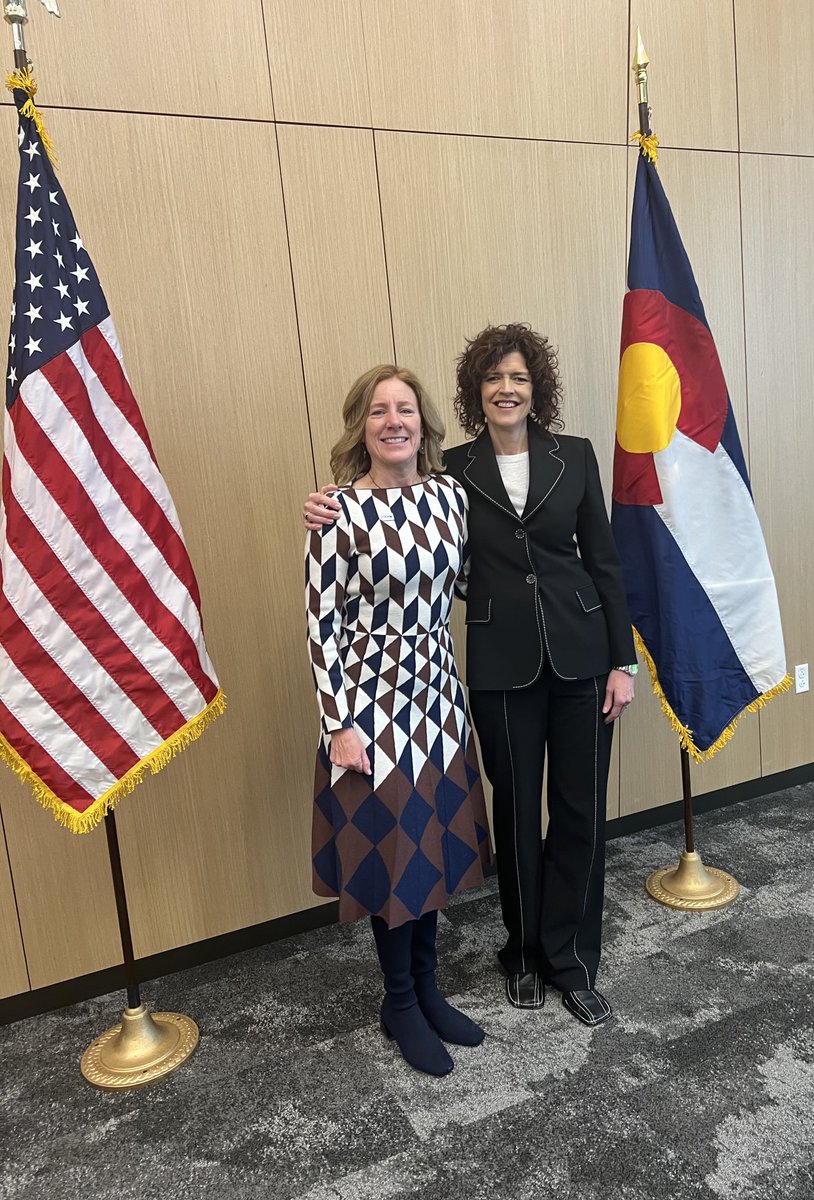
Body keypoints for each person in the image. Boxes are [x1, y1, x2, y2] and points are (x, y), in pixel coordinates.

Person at [304, 326, 636, 1027]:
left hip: (580, 658)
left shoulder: (572, 458)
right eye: (492, 378)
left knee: (580, 812)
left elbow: (603, 561)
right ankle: (519, 954)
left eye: (517, 376)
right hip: (497, 670)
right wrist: (325, 506)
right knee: (514, 814)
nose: (506, 388)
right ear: (472, 394)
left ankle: (570, 959)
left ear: (534, 385)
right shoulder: (452, 474)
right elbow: (420, 561)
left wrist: (622, 658)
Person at [305, 364, 492, 1078]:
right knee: (392, 861)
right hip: (369, 709)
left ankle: (427, 989)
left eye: (405, 408)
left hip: (439, 699)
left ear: (423, 424)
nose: (393, 420)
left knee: (432, 851)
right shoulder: (337, 514)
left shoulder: (449, 496)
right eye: (379, 410)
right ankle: (400, 1004)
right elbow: (320, 624)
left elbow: (473, 583)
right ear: (362, 426)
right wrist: (337, 726)